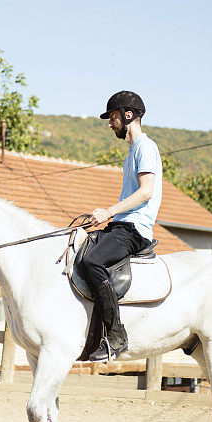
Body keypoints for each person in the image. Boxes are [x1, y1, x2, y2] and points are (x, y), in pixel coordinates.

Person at [77, 90, 163, 362]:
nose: (109, 123)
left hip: (134, 230)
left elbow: (146, 191)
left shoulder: (145, 148)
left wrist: (108, 212)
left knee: (91, 262)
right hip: (122, 225)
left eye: (112, 117)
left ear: (128, 115)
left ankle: (116, 336)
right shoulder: (132, 152)